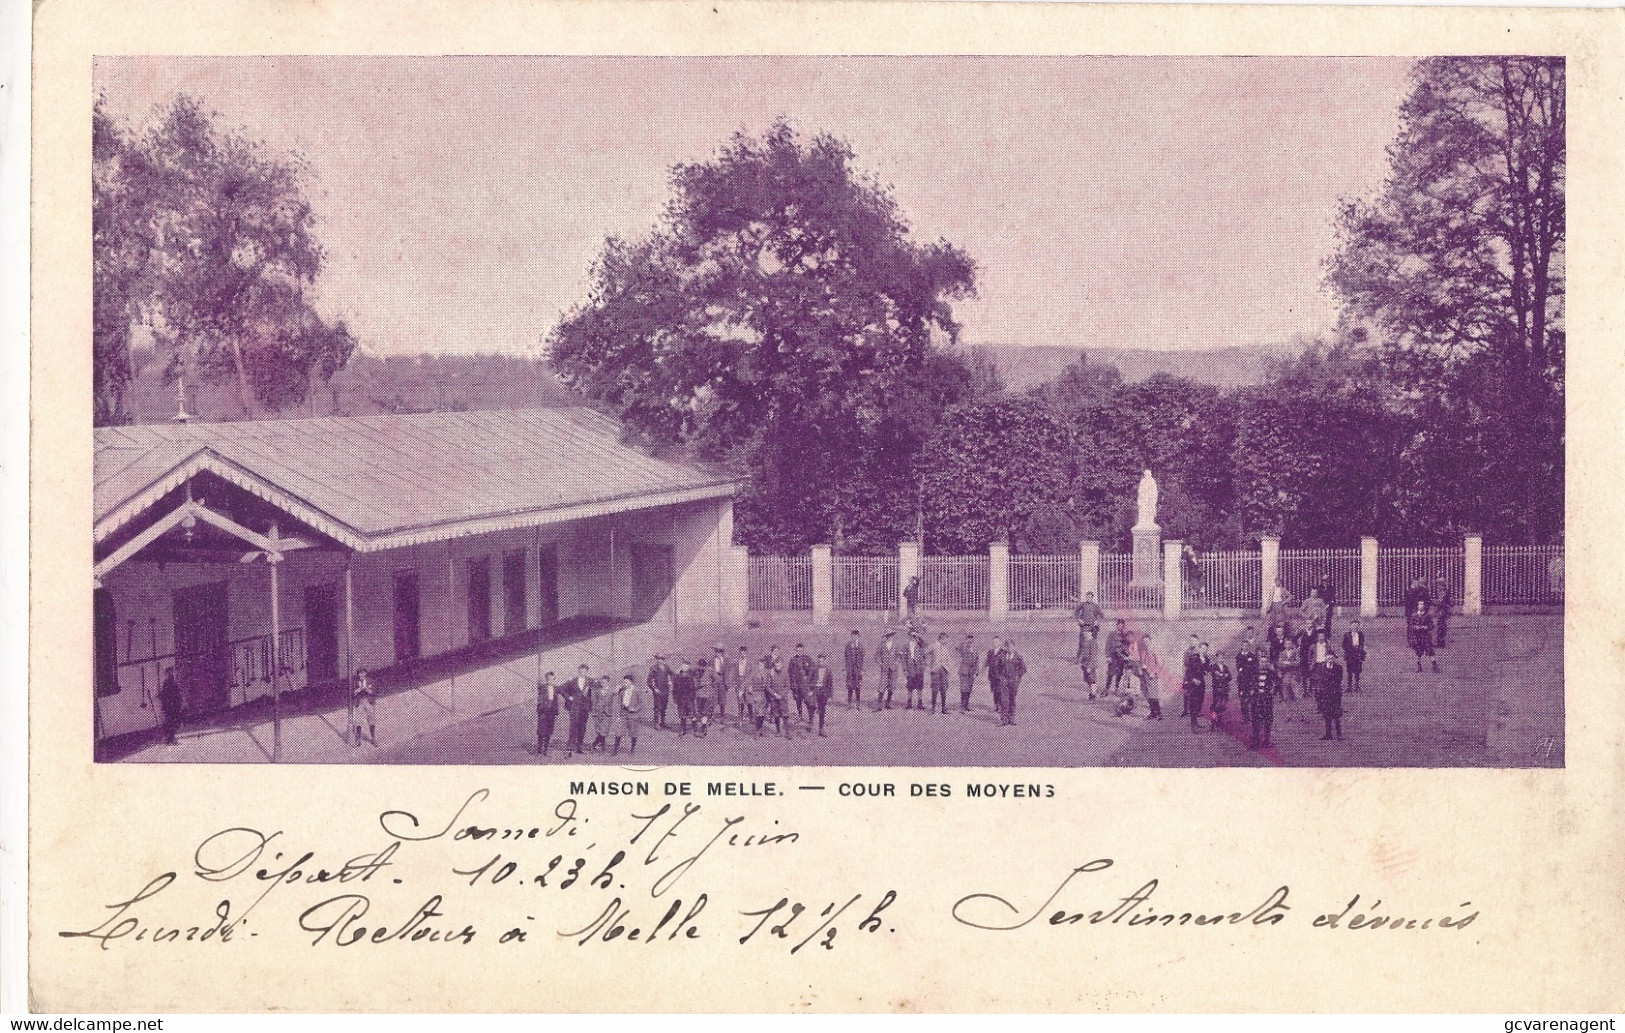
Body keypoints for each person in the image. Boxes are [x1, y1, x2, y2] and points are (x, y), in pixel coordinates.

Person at [1313, 652, 1346, 741]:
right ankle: (1328, 734)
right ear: (1325, 659)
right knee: (1326, 714)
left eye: (1331, 658)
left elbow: (1338, 680)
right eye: (1328, 658)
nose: (1330, 660)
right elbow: (1320, 680)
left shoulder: (1338, 668)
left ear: (1334, 659)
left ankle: (1339, 734)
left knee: (1336, 714)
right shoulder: (1322, 668)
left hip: (1335, 693)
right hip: (1325, 694)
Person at [612, 672, 645, 756]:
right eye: (623, 682)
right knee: (618, 732)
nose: (624, 683)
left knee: (633, 733)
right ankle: (615, 750)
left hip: (633, 715)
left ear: (631, 682)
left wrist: (634, 709)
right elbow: (614, 694)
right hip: (623, 713)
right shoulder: (622, 690)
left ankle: (632, 749)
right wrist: (617, 689)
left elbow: (641, 703)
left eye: (626, 682)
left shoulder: (636, 691)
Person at [564, 666, 593, 756]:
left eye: (584, 671)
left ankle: (579, 747)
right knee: (573, 726)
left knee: (582, 727)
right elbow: (562, 689)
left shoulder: (590, 681)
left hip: (585, 708)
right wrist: (569, 697)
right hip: (574, 707)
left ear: (587, 672)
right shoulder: (572, 680)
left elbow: (599, 688)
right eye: (581, 671)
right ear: (578, 671)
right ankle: (570, 746)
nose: (582, 673)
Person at [997, 639, 1027, 726]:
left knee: (1012, 700)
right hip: (1004, 682)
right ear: (1005, 647)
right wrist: (1001, 677)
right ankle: (1004, 720)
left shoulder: (1018, 657)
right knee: (1004, 700)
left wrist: (1017, 677)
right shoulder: (1002, 656)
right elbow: (997, 667)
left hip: (1014, 682)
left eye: (1011, 646)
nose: (1009, 648)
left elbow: (1023, 669)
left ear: (1014, 646)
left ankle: (1012, 719)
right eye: (1008, 647)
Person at [1183, 641, 1209, 732]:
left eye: (1205, 649)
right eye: (1202, 648)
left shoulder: (1206, 659)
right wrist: (1193, 680)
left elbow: (1206, 671)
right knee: (1193, 703)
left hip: (1201, 683)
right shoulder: (1193, 658)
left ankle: (1196, 722)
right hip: (1193, 683)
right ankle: (1193, 724)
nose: (1204, 650)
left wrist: (1204, 664)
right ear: (1199, 648)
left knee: (1200, 702)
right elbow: (1188, 671)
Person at [1136, 632, 1162, 719]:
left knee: (1153, 694)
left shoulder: (1155, 650)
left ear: (1150, 641)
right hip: (1144, 675)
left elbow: (1159, 663)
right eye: (1144, 642)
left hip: (1152, 675)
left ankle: (1158, 713)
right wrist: (1140, 669)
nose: (1146, 643)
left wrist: (1153, 672)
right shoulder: (1143, 651)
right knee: (1147, 694)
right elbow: (1141, 662)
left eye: (1147, 641)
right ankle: (1152, 712)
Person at [1408, 601, 1439, 673]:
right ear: (1417, 606)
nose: (1420, 606)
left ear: (1424, 606)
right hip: (1418, 636)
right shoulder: (1414, 615)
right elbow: (1411, 626)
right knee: (1418, 651)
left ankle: (1434, 665)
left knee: (1430, 650)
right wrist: (1415, 627)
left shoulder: (1428, 616)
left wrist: (1427, 627)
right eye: (1419, 604)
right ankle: (1419, 666)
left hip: (1426, 635)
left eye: (1422, 604)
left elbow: (1432, 625)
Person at [788, 643, 815, 725]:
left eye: (801, 650)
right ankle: (800, 716)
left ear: (803, 650)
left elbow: (812, 671)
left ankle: (810, 719)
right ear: (795, 650)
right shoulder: (792, 660)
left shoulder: (808, 659)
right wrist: (792, 686)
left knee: (808, 701)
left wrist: (808, 679)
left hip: (805, 685)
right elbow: (790, 673)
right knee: (798, 701)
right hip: (796, 685)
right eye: (797, 650)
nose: (799, 652)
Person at [590, 670, 617, 752]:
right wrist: (593, 711)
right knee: (600, 730)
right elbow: (593, 701)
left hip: (608, 713)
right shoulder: (597, 691)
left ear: (608, 682)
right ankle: (602, 746)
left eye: (605, 682)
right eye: (602, 682)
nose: (603, 683)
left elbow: (616, 700)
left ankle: (595, 744)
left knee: (604, 730)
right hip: (598, 712)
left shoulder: (612, 691)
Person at [746, 656, 772, 737]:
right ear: (757, 665)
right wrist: (750, 686)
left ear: (764, 665)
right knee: (758, 713)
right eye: (759, 665)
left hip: (765, 695)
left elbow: (769, 683)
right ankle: (757, 731)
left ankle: (760, 730)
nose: (761, 667)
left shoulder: (767, 673)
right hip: (757, 694)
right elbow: (749, 681)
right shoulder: (754, 673)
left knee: (763, 714)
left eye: (762, 665)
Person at [1105, 619, 1132, 696]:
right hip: (1113, 655)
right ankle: (1106, 688)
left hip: (1121, 656)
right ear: (1116, 625)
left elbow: (1127, 645)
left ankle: (1116, 688)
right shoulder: (1111, 634)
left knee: (1119, 673)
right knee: (1110, 672)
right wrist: (1108, 656)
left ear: (1124, 626)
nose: (1120, 627)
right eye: (1119, 625)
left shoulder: (1124, 635)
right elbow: (1107, 645)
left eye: (1122, 625)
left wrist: (1127, 655)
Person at [535, 670, 559, 756]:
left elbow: (563, 691)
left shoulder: (556, 688)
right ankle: (539, 749)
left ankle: (545, 749)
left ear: (554, 679)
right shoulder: (542, 687)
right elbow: (540, 694)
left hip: (552, 712)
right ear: (546, 679)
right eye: (548, 679)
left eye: (552, 679)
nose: (550, 681)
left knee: (549, 731)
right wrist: (542, 708)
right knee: (541, 731)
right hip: (543, 712)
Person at [810, 653, 835, 736]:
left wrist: (830, 696)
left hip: (824, 693)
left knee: (822, 710)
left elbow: (830, 684)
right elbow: (809, 681)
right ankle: (810, 723)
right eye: (819, 660)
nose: (820, 662)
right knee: (812, 707)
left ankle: (821, 729)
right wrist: (813, 687)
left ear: (825, 661)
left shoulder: (828, 670)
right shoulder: (814, 669)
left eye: (822, 660)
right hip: (815, 691)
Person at [874, 631, 900, 710]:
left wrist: (896, 662)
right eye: (888, 636)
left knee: (892, 686)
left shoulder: (896, 645)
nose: (890, 637)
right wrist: (880, 663)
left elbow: (899, 655)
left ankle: (888, 704)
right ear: (886, 636)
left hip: (893, 669)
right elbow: (876, 655)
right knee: (882, 686)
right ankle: (879, 705)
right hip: (884, 668)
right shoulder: (881, 645)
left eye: (891, 635)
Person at [646, 655, 673, 730]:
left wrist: (671, 681)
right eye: (659, 659)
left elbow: (672, 674)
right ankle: (656, 723)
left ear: (664, 660)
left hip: (665, 690)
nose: (660, 660)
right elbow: (649, 681)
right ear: (657, 660)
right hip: (657, 690)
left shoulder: (666, 667)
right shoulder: (653, 668)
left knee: (664, 706)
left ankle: (663, 722)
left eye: (662, 659)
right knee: (657, 707)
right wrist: (654, 689)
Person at [1235, 629, 1261, 709]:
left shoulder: (1253, 656)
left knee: (1252, 698)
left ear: (1249, 647)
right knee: (1242, 698)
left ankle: (1253, 716)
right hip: (1242, 679)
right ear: (1242, 646)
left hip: (1251, 679)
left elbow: (1255, 668)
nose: (1245, 647)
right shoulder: (1239, 656)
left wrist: (1254, 678)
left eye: (1247, 646)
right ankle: (1245, 717)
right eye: (1244, 646)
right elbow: (1238, 667)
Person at [928, 633, 952, 714]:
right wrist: (929, 666)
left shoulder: (945, 648)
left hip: (944, 670)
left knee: (944, 689)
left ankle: (943, 708)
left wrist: (948, 668)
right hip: (935, 670)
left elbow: (948, 659)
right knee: (935, 689)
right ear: (942, 638)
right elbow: (924, 654)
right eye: (946, 639)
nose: (947, 641)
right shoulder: (933, 646)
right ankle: (933, 708)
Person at [672, 659, 698, 736]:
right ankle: (683, 729)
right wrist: (675, 697)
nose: (684, 667)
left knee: (692, 713)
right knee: (682, 714)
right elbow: (674, 687)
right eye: (683, 665)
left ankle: (695, 728)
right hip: (680, 697)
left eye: (686, 665)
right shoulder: (677, 675)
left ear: (689, 666)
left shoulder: (692, 674)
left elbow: (695, 686)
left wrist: (693, 695)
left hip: (689, 697)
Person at [157, 669, 183, 746]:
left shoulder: (175, 682)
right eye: (170, 672)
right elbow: (165, 694)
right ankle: (169, 738)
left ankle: (170, 737)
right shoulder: (167, 683)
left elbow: (178, 693)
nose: (172, 673)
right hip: (169, 706)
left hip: (175, 705)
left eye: (172, 672)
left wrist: (180, 702)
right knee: (170, 722)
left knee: (175, 722)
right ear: (167, 674)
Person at [956, 634, 980, 713]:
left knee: (969, 688)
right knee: (963, 688)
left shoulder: (975, 649)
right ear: (966, 640)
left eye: (971, 640)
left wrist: (977, 671)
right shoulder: (963, 648)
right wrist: (964, 642)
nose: (970, 641)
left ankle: (966, 705)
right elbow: (957, 647)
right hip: (964, 671)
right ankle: (962, 706)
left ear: (973, 640)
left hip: (971, 672)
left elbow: (977, 661)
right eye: (968, 639)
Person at [728, 646, 752, 726]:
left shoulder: (749, 662)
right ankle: (740, 717)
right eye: (741, 653)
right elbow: (734, 673)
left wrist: (749, 685)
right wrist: (734, 683)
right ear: (739, 653)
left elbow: (751, 675)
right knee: (740, 700)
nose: (743, 654)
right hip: (738, 683)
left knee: (749, 700)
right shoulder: (736, 662)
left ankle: (751, 717)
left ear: (747, 653)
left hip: (747, 683)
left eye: (744, 653)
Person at [902, 634, 927, 710]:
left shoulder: (920, 645)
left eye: (915, 637)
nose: (914, 638)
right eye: (912, 636)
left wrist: (923, 666)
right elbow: (903, 659)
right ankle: (909, 703)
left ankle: (920, 703)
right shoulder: (906, 646)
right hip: (910, 668)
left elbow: (924, 656)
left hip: (919, 668)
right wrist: (905, 670)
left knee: (920, 686)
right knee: (910, 686)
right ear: (909, 637)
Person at [353, 669, 377, 747]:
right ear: (358, 675)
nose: (361, 675)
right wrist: (357, 691)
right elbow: (352, 693)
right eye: (360, 673)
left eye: (363, 673)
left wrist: (366, 689)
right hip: (360, 702)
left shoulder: (370, 681)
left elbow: (374, 692)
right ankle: (359, 739)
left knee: (371, 720)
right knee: (359, 720)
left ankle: (373, 738)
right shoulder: (355, 682)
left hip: (368, 701)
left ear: (365, 673)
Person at [1207, 659, 1233, 731]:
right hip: (1217, 689)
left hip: (1225, 689)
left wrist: (1223, 676)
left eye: (1222, 657)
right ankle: (1215, 722)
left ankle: (1215, 721)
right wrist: (1224, 676)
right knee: (1217, 705)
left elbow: (1230, 677)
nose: (1221, 659)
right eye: (1220, 657)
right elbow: (1216, 677)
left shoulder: (1225, 667)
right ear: (1217, 658)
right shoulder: (1214, 667)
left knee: (1223, 705)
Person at [1342, 621, 1367, 692]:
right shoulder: (1347, 635)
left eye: (1356, 626)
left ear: (1358, 627)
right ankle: (1349, 686)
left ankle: (1357, 685)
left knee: (1357, 671)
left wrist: (1359, 650)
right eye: (1353, 626)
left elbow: (1362, 643)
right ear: (1350, 626)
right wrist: (1350, 650)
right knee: (1349, 671)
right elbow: (1344, 645)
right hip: (1350, 655)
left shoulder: (1360, 634)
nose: (1355, 627)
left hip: (1358, 654)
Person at [706, 645, 729, 723]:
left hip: (722, 681)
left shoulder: (725, 660)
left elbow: (727, 672)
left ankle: (722, 716)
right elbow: (708, 671)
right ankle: (710, 716)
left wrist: (727, 683)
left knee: (722, 699)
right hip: (714, 681)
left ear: (722, 652)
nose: (718, 653)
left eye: (720, 651)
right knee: (713, 699)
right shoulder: (711, 660)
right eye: (717, 651)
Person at [985, 636, 1007, 715]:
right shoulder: (990, 652)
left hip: (1000, 675)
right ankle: (996, 706)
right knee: (994, 691)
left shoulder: (1004, 652)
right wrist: (981, 670)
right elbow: (986, 662)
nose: (995, 643)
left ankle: (1001, 707)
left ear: (1000, 642)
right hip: (992, 675)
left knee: (1000, 691)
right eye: (994, 642)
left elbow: (1005, 664)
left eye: (997, 642)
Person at [843, 629, 865, 709]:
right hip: (850, 669)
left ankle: (858, 704)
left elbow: (862, 659)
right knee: (850, 686)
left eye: (856, 636)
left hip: (858, 669)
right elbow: (846, 657)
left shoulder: (860, 646)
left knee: (858, 686)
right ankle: (849, 704)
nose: (854, 637)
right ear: (851, 636)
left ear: (858, 636)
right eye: (853, 635)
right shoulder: (848, 645)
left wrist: (861, 669)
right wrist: (846, 669)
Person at [1433, 577, 1453, 649]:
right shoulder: (1445, 591)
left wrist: (1437, 606)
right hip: (1444, 610)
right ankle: (1441, 641)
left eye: (1438, 585)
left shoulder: (1443, 592)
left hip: (1443, 610)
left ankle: (1440, 642)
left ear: (1441, 585)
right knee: (1441, 625)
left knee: (1441, 626)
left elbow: (1442, 602)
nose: (1437, 587)